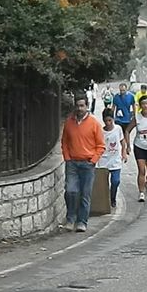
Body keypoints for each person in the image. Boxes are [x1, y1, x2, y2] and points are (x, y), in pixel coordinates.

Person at [61, 93, 106, 232]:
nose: (80, 108)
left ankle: (82, 222)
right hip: (72, 163)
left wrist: (93, 160)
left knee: (85, 195)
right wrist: (67, 157)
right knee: (70, 191)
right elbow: (65, 142)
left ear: (87, 106)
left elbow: (101, 145)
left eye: (82, 106)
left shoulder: (94, 124)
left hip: (87, 164)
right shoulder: (69, 122)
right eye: (78, 106)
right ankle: (70, 218)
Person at [96, 108, 127, 208]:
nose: (108, 123)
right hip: (103, 160)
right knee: (103, 182)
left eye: (110, 120)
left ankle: (113, 197)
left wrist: (124, 153)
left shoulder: (118, 129)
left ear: (113, 119)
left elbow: (122, 142)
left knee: (115, 181)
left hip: (115, 159)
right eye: (106, 121)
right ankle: (105, 201)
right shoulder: (100, 131)